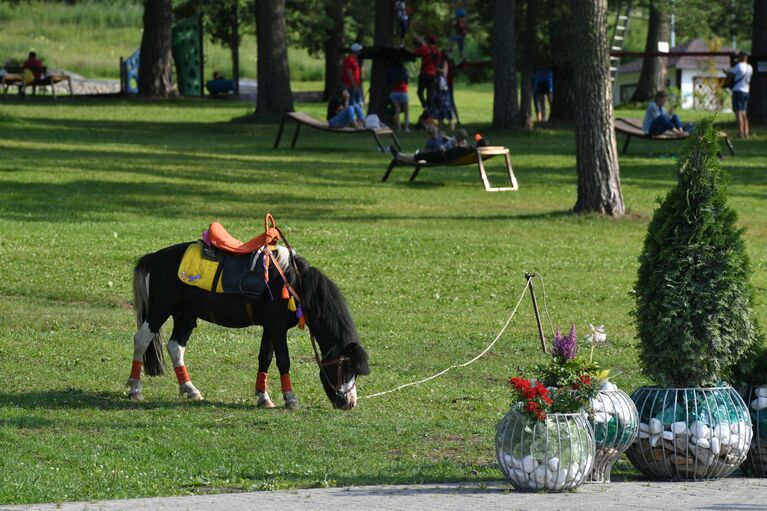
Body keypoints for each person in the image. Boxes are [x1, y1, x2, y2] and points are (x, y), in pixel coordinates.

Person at [413, 35, 441, 110]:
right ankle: (429, 112)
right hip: (433, 75)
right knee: (430, 96)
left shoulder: (424, 48)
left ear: (428, 41)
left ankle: (425, 106)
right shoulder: (437, 51)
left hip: (424, 73)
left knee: (420, 92)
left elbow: (415, 53)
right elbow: (437, 64)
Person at [730, 51, 753, 139]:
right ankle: (746, 132)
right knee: (744, 113)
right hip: (746, 91)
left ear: (740, 57)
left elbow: (731, 75)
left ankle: (740, 133)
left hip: (738, 91)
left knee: (738, 113)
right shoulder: (750, 67)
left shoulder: (738, 66)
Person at [387, 60, 410, 132]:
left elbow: (389, 81)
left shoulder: (391, 72)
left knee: (397, 110)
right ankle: (406, 128)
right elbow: (406, 81)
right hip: (403, 91)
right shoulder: (404, 71)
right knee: (406, 110)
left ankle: (398, 127)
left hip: (394, 92)